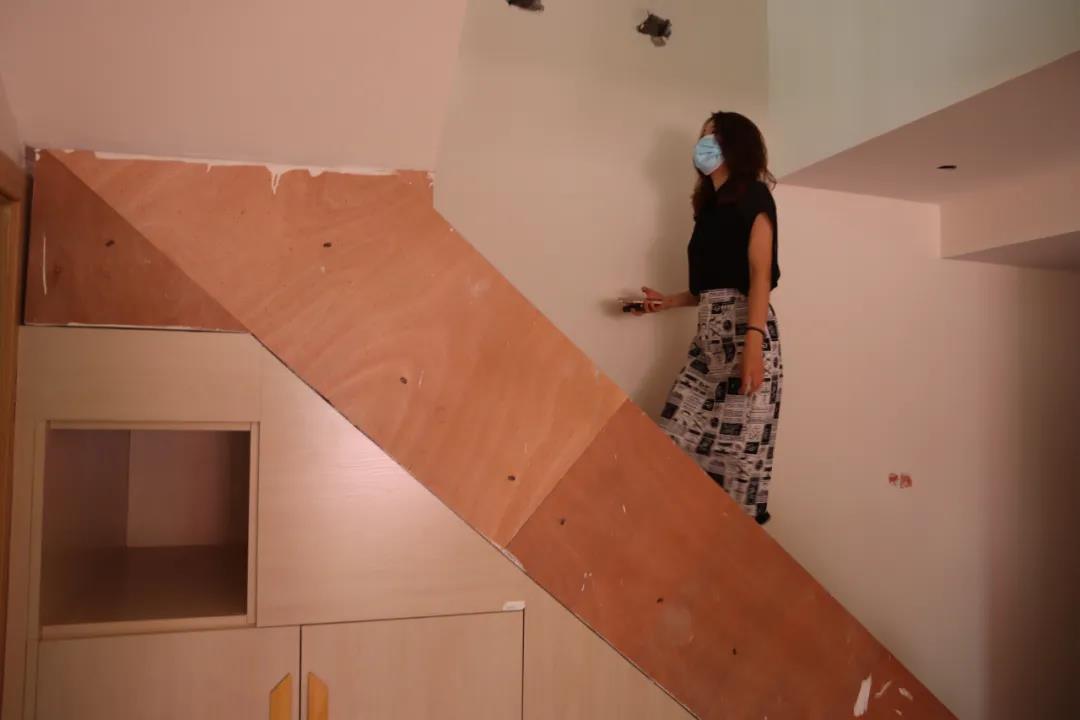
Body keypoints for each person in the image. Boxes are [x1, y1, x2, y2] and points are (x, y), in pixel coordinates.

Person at [634, 111, 782, 524]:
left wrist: (753, 343)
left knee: (738, 458)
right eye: (702, 137)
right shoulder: (709, 210)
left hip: (745, 331)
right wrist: (668, 302)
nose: (704, 144)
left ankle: (734, 547)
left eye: (713, 136)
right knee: (675, 436)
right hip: (709, 339)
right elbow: (711, 287)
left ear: (736, 144)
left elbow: (759, 275)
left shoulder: (755, 195)